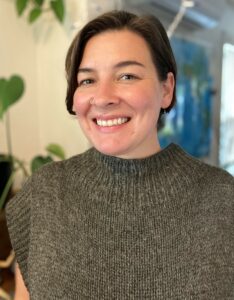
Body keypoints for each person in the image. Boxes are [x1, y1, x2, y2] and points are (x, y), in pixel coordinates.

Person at [6, 10, 234, 299]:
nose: (103, 97)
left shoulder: (223, 199)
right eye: (87, 80)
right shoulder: (44, 194)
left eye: (127, 75)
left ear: (166, 89)